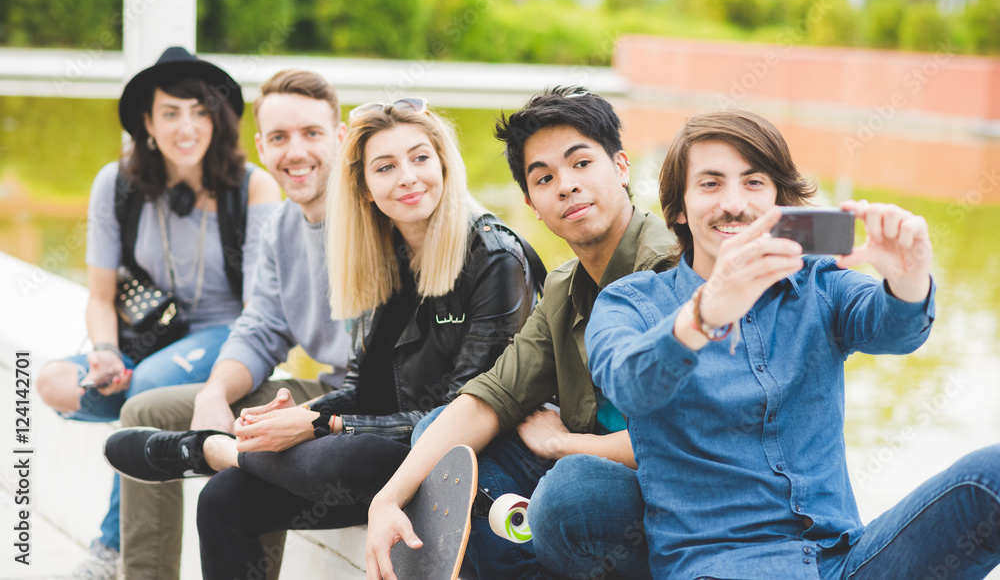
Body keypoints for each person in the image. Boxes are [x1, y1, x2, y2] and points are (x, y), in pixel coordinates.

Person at [104, 97, 537, 580]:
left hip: (457, 458)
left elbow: (465, 413)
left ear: (443, 163)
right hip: (385, 452)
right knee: (224, 498)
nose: (409, 177)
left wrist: (323, 425)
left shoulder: (494, 258)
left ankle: (209, 450)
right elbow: (361, 387)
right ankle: (220, 455)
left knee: (355, 454)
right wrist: (300, 417)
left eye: (420, 158)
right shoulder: (386, 254)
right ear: (366, 189)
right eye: (386, 167)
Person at [586, 109, 1000, 579]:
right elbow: (629, 385)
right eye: (710, 184)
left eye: (754, 182)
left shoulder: (822, 282)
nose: (734, 203)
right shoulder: (630, 302)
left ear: (780, 201)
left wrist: (908, 276)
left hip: (845, 562)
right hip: (719, 567)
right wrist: (705, 314)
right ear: (678, 208)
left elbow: (895, 329)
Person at [366, 87, 676, 580]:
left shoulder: (671, 271)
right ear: (532, 203)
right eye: (545, 178)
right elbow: (490, 397)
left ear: (621, 167)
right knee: (441, 437)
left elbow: (682, 440)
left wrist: (564, 446)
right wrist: (386, 501)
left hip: (670, 497)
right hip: (588, 487)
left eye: (580, 164)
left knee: (570, 489)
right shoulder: (565, 286)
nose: (566, 186)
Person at [35, 46, 281, 580]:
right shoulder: (118, 185)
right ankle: (166, 432)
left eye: (199, 111)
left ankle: (110, 549)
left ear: (218, 118)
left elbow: (264, 308)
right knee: (57, 382)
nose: (186, 127)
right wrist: (102, 352)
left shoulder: (253, 187)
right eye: (170, 113)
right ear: (147, 121)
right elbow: (100, 296)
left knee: (146, 387)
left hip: (229, 334)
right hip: (149, 339)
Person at [107, 68, 353, 580]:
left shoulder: (375, 213)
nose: (296, 151)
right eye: (281, 138)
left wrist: (298, 415)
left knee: (245, 468)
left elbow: (395, 375)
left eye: (312, 134)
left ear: (341, 137)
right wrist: (215, 393)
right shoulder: (284, 226)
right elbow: (261, 328)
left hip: (366, 407)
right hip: (325, 386)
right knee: (146, 409)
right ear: (262, 145)